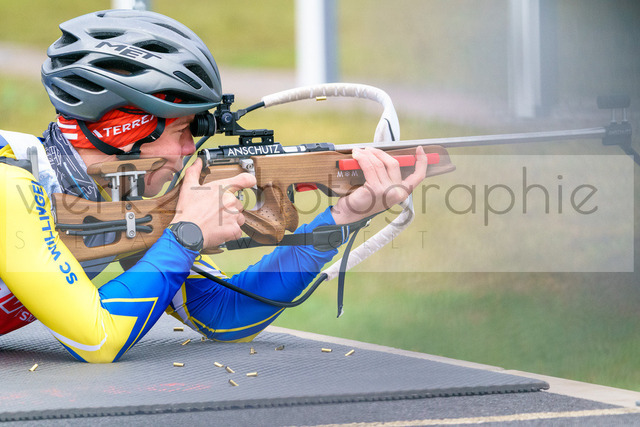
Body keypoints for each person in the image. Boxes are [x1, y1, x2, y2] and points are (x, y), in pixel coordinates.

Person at [0, 9, 428, 363]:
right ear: (127, 130)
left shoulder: (118, 197)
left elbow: (224, 313)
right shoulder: (9, 184)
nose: (192, 149)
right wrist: (186, 234)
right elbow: (99, 340)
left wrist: (344, 216)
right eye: (183, 130)